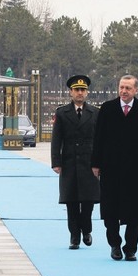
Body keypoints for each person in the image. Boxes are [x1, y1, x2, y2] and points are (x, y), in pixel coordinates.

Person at [91, 75, 138, 261]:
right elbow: (99, 138)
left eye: (128, 88)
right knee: (110, 209)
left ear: (136, 90)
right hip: (110, 168)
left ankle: (131, 248)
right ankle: (115, 244)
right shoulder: (107, 109)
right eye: (121, 87)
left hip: (135, 169)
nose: (124, 91)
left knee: (134, 211)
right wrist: (95, 163)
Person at [51, 75, 100, 250]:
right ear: (71, 92)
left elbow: (100, 139)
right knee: (71, 201)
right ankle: (74, 236)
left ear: (87, 92)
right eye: (76, 90)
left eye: (83, 90)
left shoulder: (95, 112)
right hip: (69, 162)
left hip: (89, 163)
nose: (80, 93)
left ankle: (86, 229)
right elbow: (56, 139)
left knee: (88, 201)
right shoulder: (62, 112)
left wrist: (100, 162)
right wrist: (56, 161)